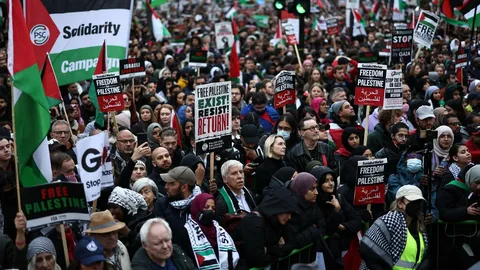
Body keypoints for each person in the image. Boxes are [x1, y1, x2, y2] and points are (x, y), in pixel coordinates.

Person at [359, 185, 428, 269]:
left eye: (419, 202)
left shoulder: (419, 227)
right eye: (413, 202)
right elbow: (367, 248)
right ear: (400, 203)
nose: (416, 206)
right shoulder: (390, 220)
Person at [311, 166, 362, 268]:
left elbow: (357, 220)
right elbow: (327, 230)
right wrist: (337, 210)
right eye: (326, 181)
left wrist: (343, 227)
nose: (331, 184)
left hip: (342, 249)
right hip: (324, 253)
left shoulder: (338, 197)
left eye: (332, 180)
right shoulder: (313, 202)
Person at [237, 188, 298, 268]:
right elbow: (257, 260)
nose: (289, 217)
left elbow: (292, 243)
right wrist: (277, 250)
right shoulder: (254, 222)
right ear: (278, 208)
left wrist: (269, 249)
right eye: (287, 212)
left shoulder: (278, 221)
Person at [153, 166, 201, 262]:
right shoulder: (162, 204)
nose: (166, 187)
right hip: (173, 259)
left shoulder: (202, 204)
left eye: (171, 184)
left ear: (184, 187)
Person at [186, 193, 240, 269]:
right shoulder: (187, 232)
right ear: (197, 208)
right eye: (206, 207)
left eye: (213, 208)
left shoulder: (219, 230)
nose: (210, 210)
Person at [288, 172, 327, 249]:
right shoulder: (291, 209)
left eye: (316, 188)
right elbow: (295, 241)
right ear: (302, 189)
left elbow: (323, 227)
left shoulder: (313, 203)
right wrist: (313, 229)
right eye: (312, 189)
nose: (316, 192)